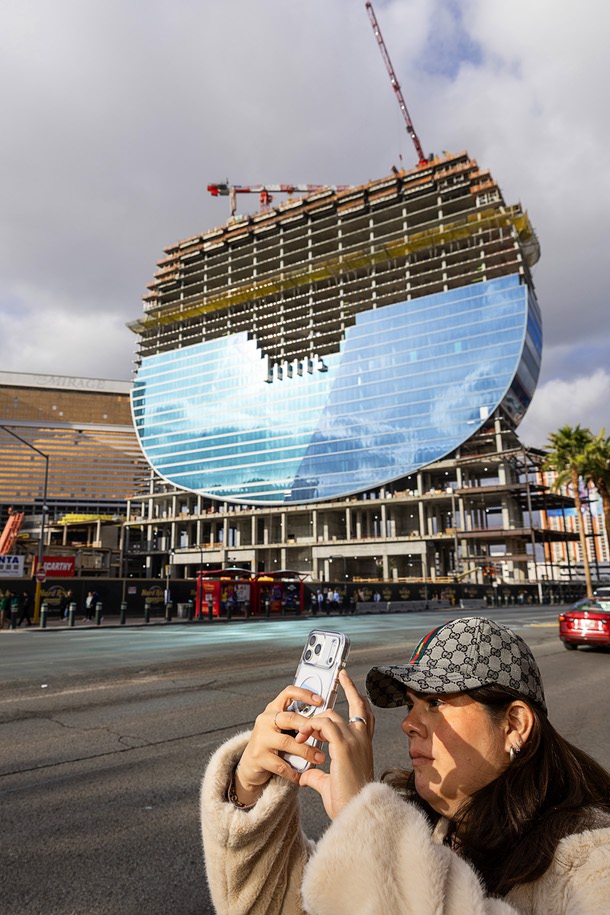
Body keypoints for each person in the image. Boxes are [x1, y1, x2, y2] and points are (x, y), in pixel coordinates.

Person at [200, 616, 610, 914]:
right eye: (412, 706)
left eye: (435, 702)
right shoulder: (421, 828)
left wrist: (368, 820)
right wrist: (249, 791)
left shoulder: (593, 868)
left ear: (515, 724)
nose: (409, 724)